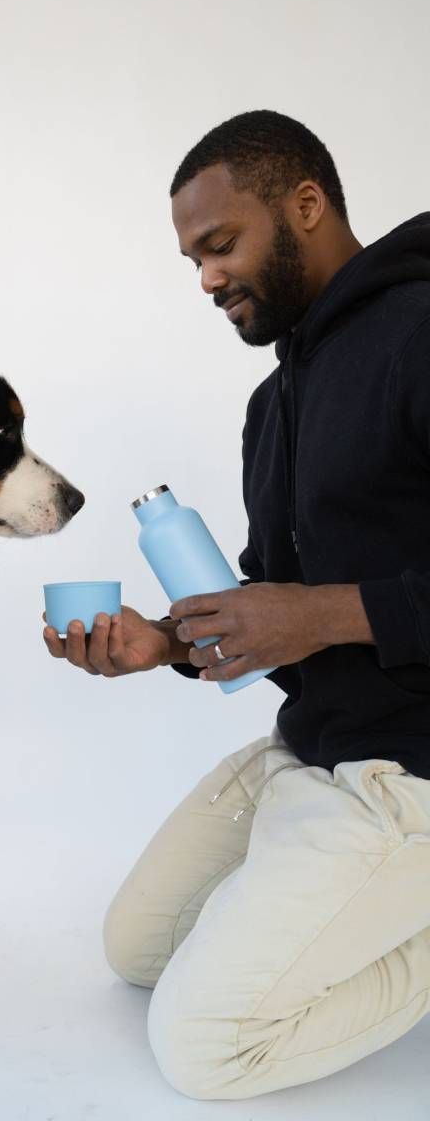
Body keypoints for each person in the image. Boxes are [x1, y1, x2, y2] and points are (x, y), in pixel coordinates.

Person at [43, 110, 430, 1100]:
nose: (207, 279)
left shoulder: (419, 333)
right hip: (316, 747)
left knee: (206, 1047)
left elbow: (308, 611)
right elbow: (273, 603)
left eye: (220, 245)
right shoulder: (275, 400)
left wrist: (322, 615)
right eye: (193, 261)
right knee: (137, 949)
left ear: (305, 203)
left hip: (413, 769)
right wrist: (165, 643)